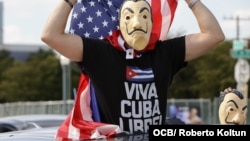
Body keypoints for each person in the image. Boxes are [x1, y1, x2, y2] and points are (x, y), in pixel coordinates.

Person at [41, 0, 224, 138]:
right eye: (128, 17)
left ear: (151, 23)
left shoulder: (164, 53)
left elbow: (214, 35)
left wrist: (191, 1)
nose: (137, 23)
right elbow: (50, 35)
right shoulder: (102, 54)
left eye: (144, 16)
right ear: (120, 24)